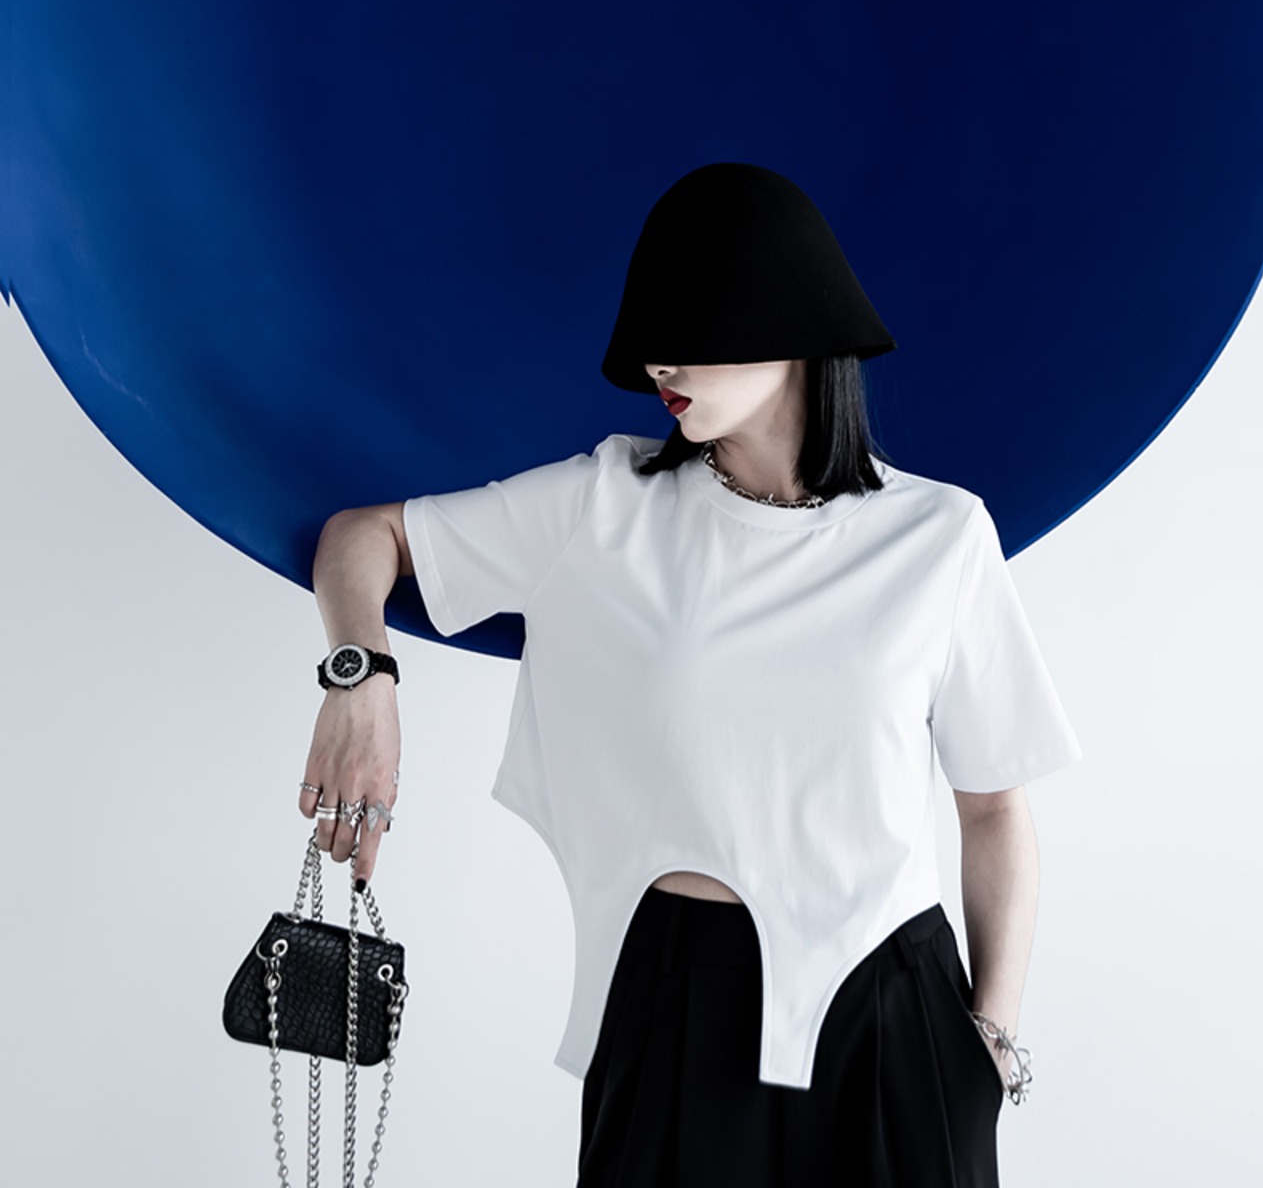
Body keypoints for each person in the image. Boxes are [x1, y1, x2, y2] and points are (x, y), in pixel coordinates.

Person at [300, 163, 1082, 1186]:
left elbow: (995, 808)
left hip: (892, 1021)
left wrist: (989, 1041)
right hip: (672, 1014)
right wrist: (361, 679)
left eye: (690, 325)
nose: (657, 362)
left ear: (790, 319)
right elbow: (364, 538)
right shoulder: (603, 506)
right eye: (648, 333)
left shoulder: (938, 535)